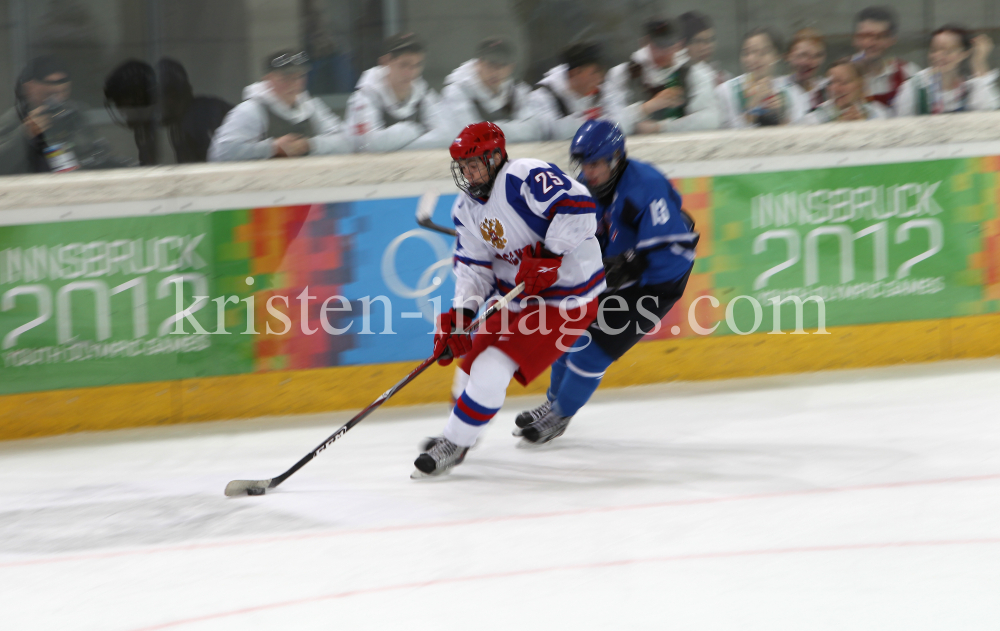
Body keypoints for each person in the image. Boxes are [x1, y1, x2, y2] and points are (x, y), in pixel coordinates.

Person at [412, 122, 606, 477]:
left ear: (497, 156)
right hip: (518, 299)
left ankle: (455, 443)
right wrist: (461, 316)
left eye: (475, 163)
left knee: (493, 367)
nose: (468, 172)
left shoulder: (524, 176)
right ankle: (459, 431)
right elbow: (473, 269)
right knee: (468, 364)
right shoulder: (465, 210)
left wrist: (551, 254)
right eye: (463, 165)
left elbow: (579, 206)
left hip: (566, 300)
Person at [514, 120, 697, 444]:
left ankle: (561, 415)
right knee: (566, 335)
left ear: (616, 157)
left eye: (597, 163)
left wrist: (631, 267)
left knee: (591, 351)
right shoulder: (585, 184)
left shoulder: (645, 186)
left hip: (657, 283)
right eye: (585, 163)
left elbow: (672, 253)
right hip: (616, 273)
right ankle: (554, 403)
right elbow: (572, 229)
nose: (590, 170)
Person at [208, 50, 350, 162]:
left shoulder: (312, 106)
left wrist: (310, 145)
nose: (294, 83)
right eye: (285, 78)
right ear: (268, 79)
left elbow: (346, 142)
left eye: (299, 76)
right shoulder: (251, 110)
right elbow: (221, 153)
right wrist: (272, 148)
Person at [1, 56, 128, 175]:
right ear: (30, 88)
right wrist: (25, 134)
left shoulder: (73, 112)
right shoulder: (13, 120)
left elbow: (90, 152)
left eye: (64, 92)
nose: (58, 100)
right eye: (50, 94)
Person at [607, 16, 719, 135]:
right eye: (658, 46)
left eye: (669, 45)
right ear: (645, 43)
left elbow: (711, 119)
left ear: (679, 44)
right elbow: (610, 127)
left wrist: (661, 127)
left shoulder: (695, 72)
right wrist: (646, 108)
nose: (664, 52)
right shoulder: (623, 74)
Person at [346, 33, 445, 152]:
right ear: (385, 61)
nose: (411, 73)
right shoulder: (366, 95)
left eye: (417, 65)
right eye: (404, 65)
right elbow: (369, 145)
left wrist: (396, 146)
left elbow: (446, 137)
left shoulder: (423, 93)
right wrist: (414, 130)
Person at [439, 36, 540, 143]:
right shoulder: (457, 91)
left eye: (502, 65)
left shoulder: (518, 91)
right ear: (478, 64)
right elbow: (468, 136)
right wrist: (513, 130)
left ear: (511, 67)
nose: (496, 72)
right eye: (491, 64)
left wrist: (490, 130)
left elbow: (534, 131)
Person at [526, 41, 624, 141]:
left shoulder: (603, 89)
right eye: (594, 72)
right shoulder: (544, 96)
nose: (599, 79)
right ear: (575, 73)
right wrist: (590, 120)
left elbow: (621, 121)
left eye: (601, 72)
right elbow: (548, 132)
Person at [894, 26, 999, 116]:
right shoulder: (916, 86)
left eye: (948, 51)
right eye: (934, 50)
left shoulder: (971, 86)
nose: (938, 56)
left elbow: (989, 112)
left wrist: (978, 62)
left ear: (964, 53)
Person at [716, 28, 808, 128]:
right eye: (747, 53)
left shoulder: (793, 92)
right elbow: (720, 133)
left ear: (777, 56)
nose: (752, 59)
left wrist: (781, 116)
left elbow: (801, 133)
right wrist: (753, 107)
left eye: (763, 52)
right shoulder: (725, 91)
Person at [157, 59, 233, 163]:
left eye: (162, 97)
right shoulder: (177, 124)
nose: (160, 105)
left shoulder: (202, 114)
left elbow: (216, 164)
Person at [852, 6, 920, 108]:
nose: (870, 43)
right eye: (865, 36)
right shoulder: (839, 77)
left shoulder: (909, 74)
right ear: (855, 39)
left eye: (879, 37)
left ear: (892, 40)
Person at [801, 58, 891, 123]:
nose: (835, 89)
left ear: (861, 84)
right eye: (831, 83)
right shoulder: (812, 120)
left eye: (844, 82)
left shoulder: (879, 113)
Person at [780, 28, 828, 113]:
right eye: (803, 55)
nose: (810, 63)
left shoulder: (828, 88)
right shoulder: (777, 88)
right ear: (787, 56)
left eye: (817, 56)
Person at [679, 11, 731, 87]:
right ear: (683, 44)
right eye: (699, 41)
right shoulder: (675, 78)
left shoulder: (720, 76)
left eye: (711, 40)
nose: (707, 46)